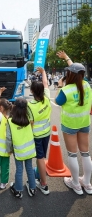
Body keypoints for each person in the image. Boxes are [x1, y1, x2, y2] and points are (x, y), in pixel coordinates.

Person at [55, 51, 92, 195]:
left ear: (70, 75)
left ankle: (75, 183)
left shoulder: (66, 90)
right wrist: (67, 58)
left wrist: (59, 86)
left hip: (70, 125)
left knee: (72, 154)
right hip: (84, 123)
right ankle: (87, 184)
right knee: (85, 153)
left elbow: (58, 102)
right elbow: (77, 70)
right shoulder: (87, 85)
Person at [27, 67, 52, 195]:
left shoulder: (30, 105)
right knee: (41, 157)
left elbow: (30, 123)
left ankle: (44, 184)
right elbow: (46, 83)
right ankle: (39, 175)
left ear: (31, 91)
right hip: (47, 133)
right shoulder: (47, 98)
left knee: (40, 158)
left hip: (36, 135)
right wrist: (43, 72)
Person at [7, 97, 36, 199]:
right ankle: (32, 188)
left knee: (19, 170)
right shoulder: (29, 118)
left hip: (18, 151)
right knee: (29, 168)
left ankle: (18, 190)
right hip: (30, 149)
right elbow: (31, 113)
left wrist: (9, 150)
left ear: (14, 107)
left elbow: (8, 138)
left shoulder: (10, 121)